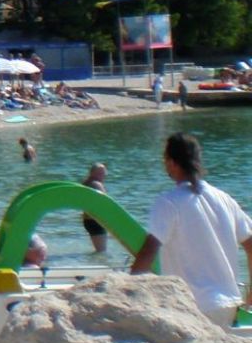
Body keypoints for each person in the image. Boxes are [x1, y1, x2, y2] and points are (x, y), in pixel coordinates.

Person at [131, 132, 252, 325]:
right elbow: (250, 244)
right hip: (228, 305)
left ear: (172, 163)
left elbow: (148, 252)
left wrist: (128, 291)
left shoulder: (168, 202)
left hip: (192, 307)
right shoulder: (224, 199)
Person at [80, 162, 110, 253]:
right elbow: (106, 201)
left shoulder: (85, 183)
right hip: (96, 221)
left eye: (104, 173)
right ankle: (98, 261)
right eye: (100, 173)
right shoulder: (96, 184)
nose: (103, 176)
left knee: (98, 250)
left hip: (87, 220)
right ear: (92, 173)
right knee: (101, 251)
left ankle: (91, 260)